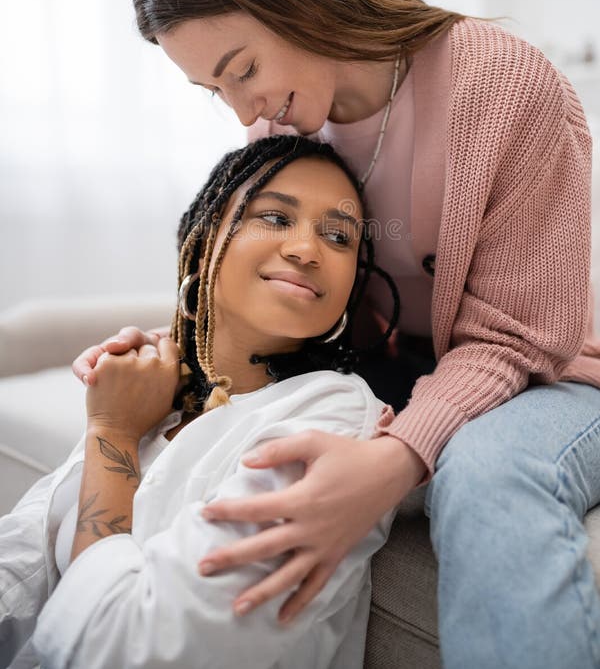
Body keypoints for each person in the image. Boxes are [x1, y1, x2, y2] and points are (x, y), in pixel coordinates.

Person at [73, 0, 600, 669]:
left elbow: (519, 336)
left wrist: (394, 461)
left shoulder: (502, 83)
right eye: (216, 91)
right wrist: (177, 345)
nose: (243, 110)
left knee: (489, 474)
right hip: (391, 370)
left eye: (243, 68)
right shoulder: (282, 124)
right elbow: (268, 289)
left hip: (544, 374)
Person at [0, 135, 409, 669]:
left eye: (338, 237)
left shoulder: (331, 416)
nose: (307, 249)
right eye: (277, 219)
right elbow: (20, 572)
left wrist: (113, 436)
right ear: (207, 236)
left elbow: (132, 649)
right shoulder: (155, 391)